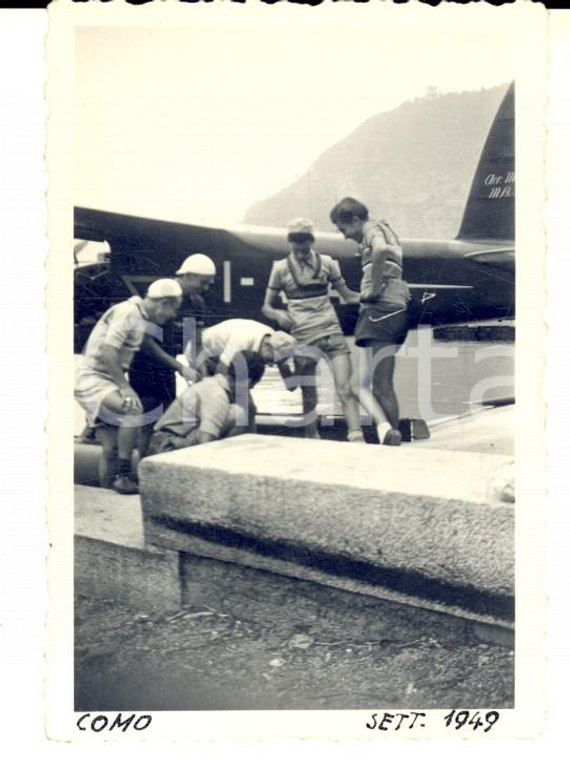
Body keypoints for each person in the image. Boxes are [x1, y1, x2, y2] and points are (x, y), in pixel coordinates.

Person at [74, 279, 183, 493]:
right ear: (163, 302)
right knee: (133, 409)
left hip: (102, 380)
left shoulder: (139, 316)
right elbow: (108, 351)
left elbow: (144, 348)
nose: (172, 316)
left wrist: (177, 365)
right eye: (173, 309)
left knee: (110, 449)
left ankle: (107, 494)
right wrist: (125, 387)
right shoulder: (129, 313)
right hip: (93, 379)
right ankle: (123, 476)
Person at [262, 218, 363, 441]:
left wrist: (374, 297)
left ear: (312, 242)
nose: (300, 255)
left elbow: (348, 296)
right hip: (304, 339)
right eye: (296, 250)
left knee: (344, 389)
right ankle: (312, 438)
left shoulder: (328, 263)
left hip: (331, 333)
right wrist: (278, 314)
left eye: (304, 249)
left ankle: (357, 437)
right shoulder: (279, 269)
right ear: (290, 244)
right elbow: (266, 307)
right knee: (309, 396)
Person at [329, 197, 411, 446]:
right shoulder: (386, 229)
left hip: (381, 311)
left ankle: (390, 438)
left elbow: (379, 251)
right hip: (395, 309)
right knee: (368, 383)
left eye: (343, 229)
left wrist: (374, 289)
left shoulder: (372, 230)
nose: (344, 236)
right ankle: (388, 432)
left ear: (355, 220)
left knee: (381, 385)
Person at [128, 253, 216, 458]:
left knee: (166, 415)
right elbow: (145, 342)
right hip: (144, 363)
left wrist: (202, 372)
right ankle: (140, 464)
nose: (206, 288)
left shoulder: (195, 302)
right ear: (188, 276)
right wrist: (179, 366)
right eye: (203, 282)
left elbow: (194, 341)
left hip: (168, 364)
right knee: (149, 415)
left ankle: (155, 461)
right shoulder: (161, 291)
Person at [148, 351, 266, 454]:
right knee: (238, 414)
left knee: (235, 412)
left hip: (165, 440)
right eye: (250, 387)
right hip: (166, 446)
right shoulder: (218, 396)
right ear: (247, 382)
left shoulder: (213, 383)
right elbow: (205, 443)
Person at [191, 318, 297, 384]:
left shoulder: (275, 341)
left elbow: (291, 386)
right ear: (267, 346)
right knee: (211, 396)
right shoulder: (242, 340)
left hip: (222, 356)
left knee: (247, 407)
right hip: (200, 352)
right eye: (270, 361)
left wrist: (301, 369)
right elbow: (221, 369)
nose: (270, 365)